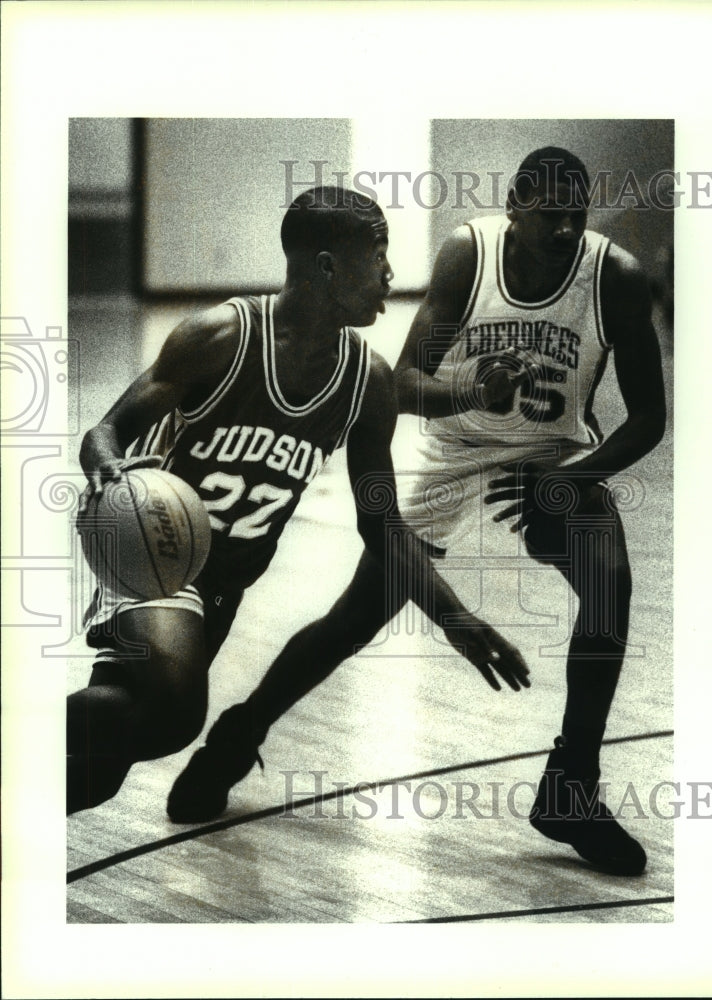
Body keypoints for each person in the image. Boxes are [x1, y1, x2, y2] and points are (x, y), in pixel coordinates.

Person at [169, 149, 666, 879]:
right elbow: (401, 386)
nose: (564, 228)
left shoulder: (612, 276)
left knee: (610, 581)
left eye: (575, 214)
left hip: (555, 455)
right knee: (360, 612)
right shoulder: (471, 255)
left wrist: (567, 479)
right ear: (516, 204)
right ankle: (238, 736)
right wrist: (472, 393)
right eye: (548, 212)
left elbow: (650, 419)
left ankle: (572, 785)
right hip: (460, 441)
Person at [68, 186, 530, 816]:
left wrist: (454, 618)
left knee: (101, 771)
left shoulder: (366, 381)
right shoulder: (220, 336)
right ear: (327, 264)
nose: (390, 273)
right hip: (156, 560)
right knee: (179, 711)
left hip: (224, 588)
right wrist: (108, 468)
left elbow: (383, 526)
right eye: (378, 254)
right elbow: (104, 432)